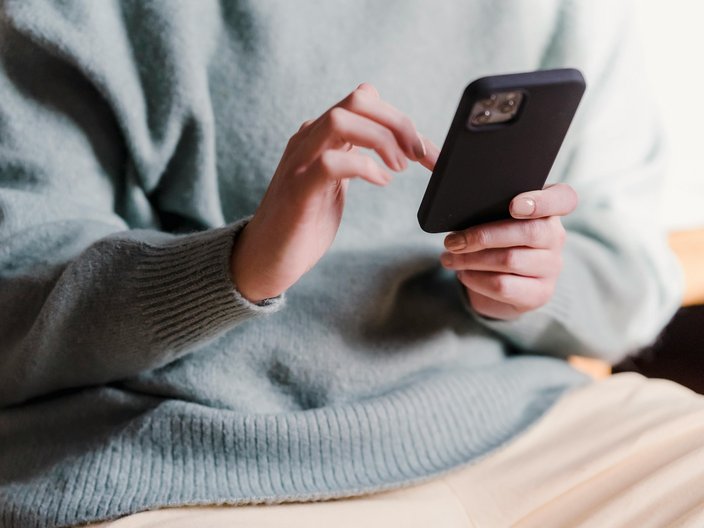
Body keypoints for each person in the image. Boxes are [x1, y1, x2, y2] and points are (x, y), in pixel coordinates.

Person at [0, 1, 702, 527]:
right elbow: (12, 305)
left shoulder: (564, 10)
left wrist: (535, 282)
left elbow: (634, 276)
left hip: (525, 428)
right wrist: (236, 267)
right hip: (189, 464)